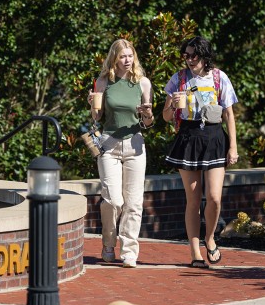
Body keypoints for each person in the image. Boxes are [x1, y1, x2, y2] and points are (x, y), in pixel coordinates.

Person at [161, 36, 239, 268]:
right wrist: (172, 105)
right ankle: (195, 252)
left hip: (214, 137)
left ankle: (210, 238)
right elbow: (165, 116)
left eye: (193, 55)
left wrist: (233, 146)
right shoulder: (179, 78)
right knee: (193, 199)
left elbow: (229, 114)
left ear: (204, 55)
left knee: (214, 197)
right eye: (185, 55)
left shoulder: (219, 77)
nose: (189, 59)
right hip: (188, 137)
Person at [88, 38, 154, 268]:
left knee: (134, 202)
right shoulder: (104, 81)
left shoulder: (143, 83)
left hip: (135, 144)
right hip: (109, 143)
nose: (127, 60)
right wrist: (91, 104)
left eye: (130, 56)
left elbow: (148, 122)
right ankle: (108, 243)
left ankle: (129, 251)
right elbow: (96, 118)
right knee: (113, 200)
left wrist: (147, 114)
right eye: (122, 56)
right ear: (114, 59)